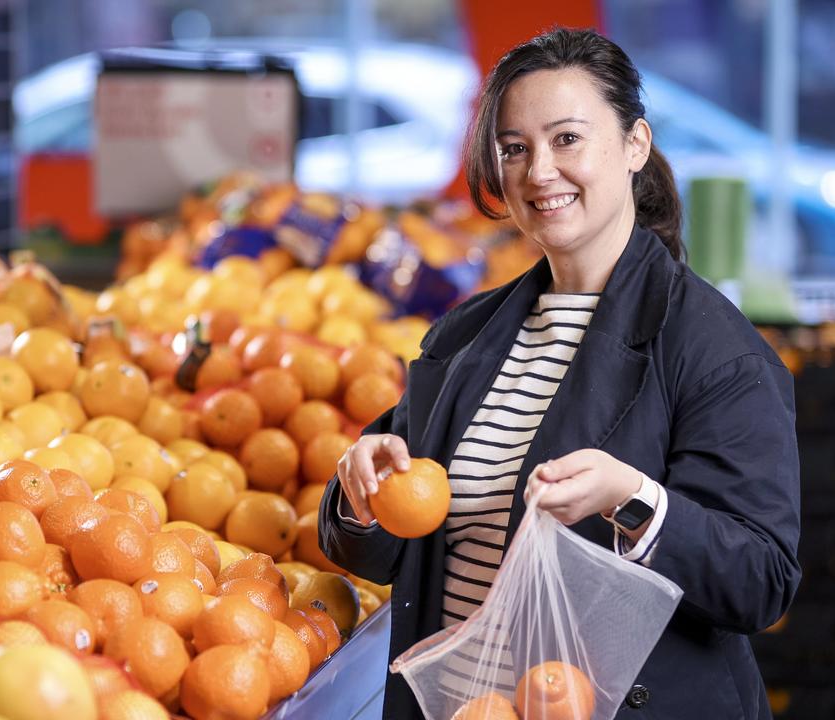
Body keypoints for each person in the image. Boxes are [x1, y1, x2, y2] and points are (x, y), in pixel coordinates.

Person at [319, 27, 800, 720]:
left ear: (635, 144)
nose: (538, 170)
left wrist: (633, 499)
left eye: (567, 139)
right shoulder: (466, 336)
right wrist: (362, 490)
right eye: (514, 148)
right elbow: (392, 549)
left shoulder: (714, 349)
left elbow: (761, 580)